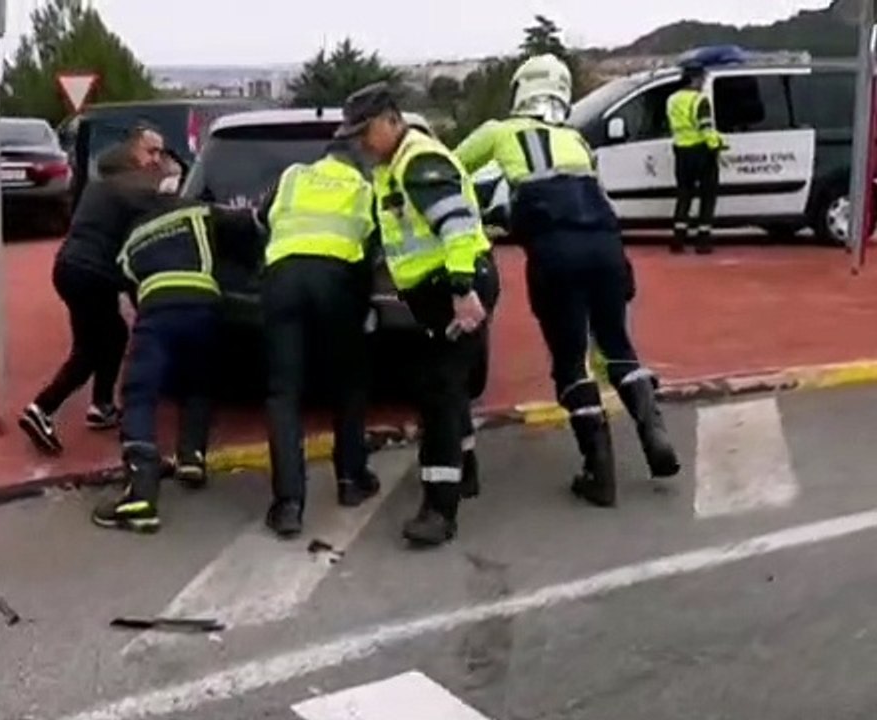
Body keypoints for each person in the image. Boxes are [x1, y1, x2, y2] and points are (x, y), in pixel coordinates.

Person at [453, 54, 681, 509]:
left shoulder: (499, 131)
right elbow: (599, 199)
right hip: (605, 246)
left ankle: (599, 471)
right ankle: (653, 430)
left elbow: (450, 169)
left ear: (521, 90)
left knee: (571, 361)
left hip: (555, 253)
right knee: (618, 346)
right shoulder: (575, 140)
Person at [337, 82, 500, 548]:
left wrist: (463, 289)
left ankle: (439, 509)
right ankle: (464, 473)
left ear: (391, 120)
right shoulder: (394, 166)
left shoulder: (418, 160)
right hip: (436, 291)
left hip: (454, 287)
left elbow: (458, 226)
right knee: (443, 386)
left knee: (440, 392)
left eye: (365, 132)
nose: (360, 144)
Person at [90, 168, 234, 533]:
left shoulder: (131, 240)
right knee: (198, 383)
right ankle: (192, 457)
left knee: (140, 394)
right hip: (205, 306)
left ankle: (140, 493)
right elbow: (244, 229)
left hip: (157, 313)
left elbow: (130, 288)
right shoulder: (199, 211)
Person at [253, 139, 381, 538]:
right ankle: (350, 479)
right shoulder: (365, 186)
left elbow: (261, 219)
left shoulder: (292, 176)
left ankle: (288, 504)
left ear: (324, 156)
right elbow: (376, 244)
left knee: (284, 393)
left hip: (283, 279)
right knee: (349, 382)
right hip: (336, 282)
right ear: (357, 161)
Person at [18, 126, 167, 455]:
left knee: (113, 334)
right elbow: (159, 216)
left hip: (72, 269)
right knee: (90, 350)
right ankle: (41, 409)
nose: (157, 159)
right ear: (131, 152)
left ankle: (101, 406)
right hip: (91, 273)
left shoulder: (101, 185)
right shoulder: (130, 187)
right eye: (150, 151)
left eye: (160, 152)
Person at [667, 60, 725, 255]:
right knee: (707, 196)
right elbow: (706, 128)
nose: (703, 82)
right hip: (701, 152)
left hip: (680, 151)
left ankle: (678, 238)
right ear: (695, 79)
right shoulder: (700, 100)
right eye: (702, 78)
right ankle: (703, 239)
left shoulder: (672, 100)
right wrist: (717, 145)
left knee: (684, 195)